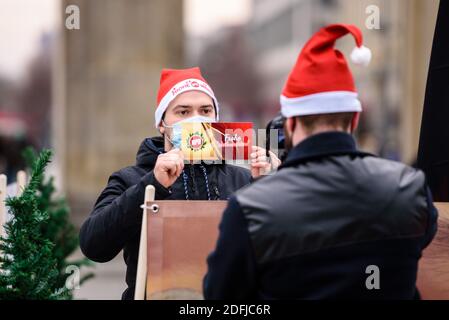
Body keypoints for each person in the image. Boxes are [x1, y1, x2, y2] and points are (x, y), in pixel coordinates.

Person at [203, 24, 438, 300]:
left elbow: (219, 296)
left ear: (289, 123)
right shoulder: (409, 187)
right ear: (354, 119)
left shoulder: (250, 209)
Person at [79, 67, 280, 300]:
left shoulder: (244, 178)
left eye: (205, 110)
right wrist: (151, 185)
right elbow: (93, 245)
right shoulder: (129, 179)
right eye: (183, 112)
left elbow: (279, 251)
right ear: (162, 123)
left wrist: (270, 186)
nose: (196, 119)